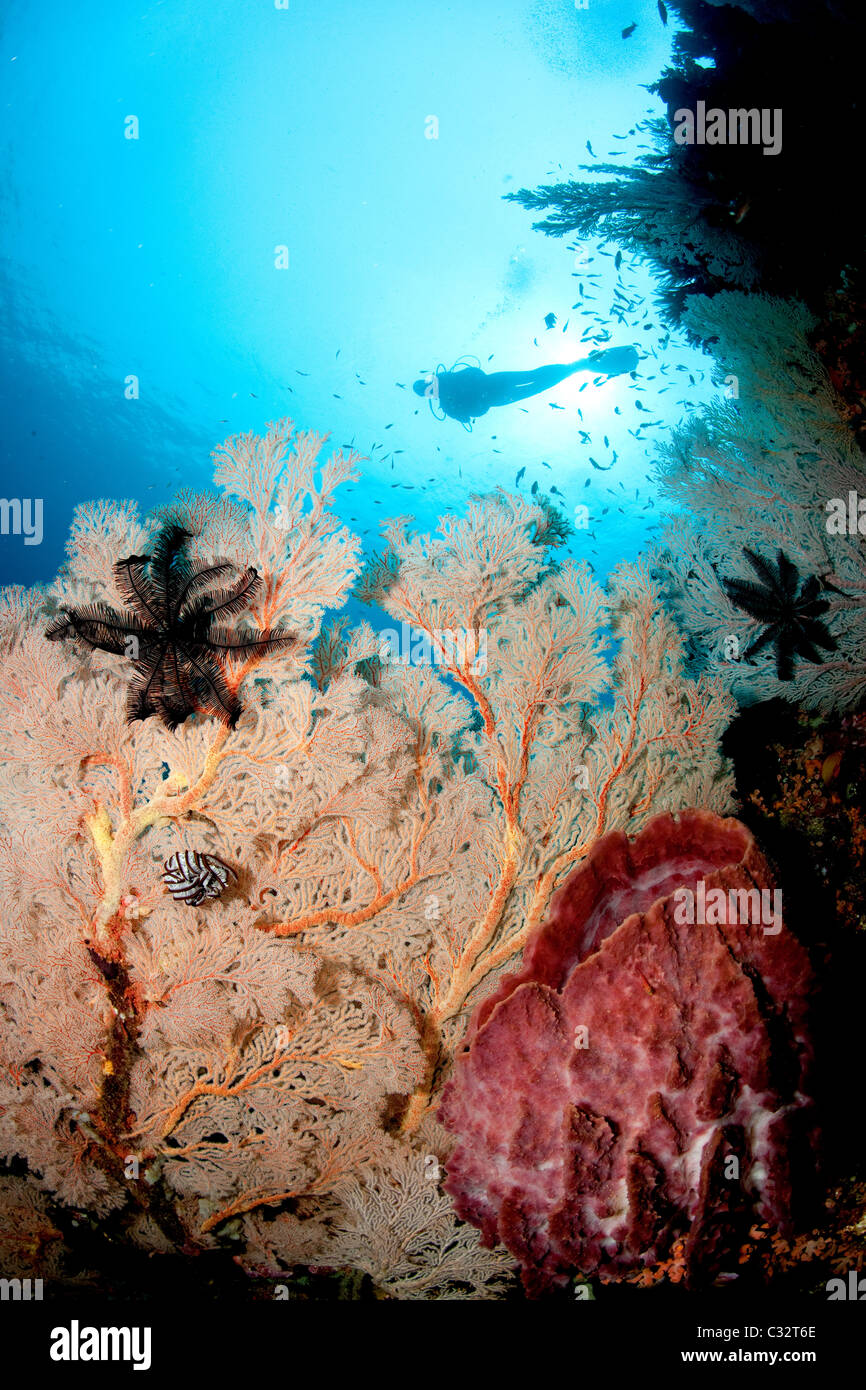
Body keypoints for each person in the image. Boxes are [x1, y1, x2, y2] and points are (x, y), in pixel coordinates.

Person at [412, 345, 639, 426]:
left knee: (534, 379)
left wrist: (469, 400)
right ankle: (577, 366)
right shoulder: (448, 397)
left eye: (427, 387)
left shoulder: (448, 385)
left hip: (494, 389)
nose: (430, 390)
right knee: (535, 383)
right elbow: (473, 410)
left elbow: (474, 409)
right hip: (495, 390)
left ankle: (577, 366)